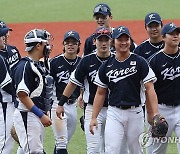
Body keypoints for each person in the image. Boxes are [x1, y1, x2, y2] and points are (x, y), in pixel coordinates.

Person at [89, 26, 160, 154]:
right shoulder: (107, 65)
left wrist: (154, 114)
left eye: (126, 39)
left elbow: (150, 89)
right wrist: (94, 117)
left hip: (136, 113)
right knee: (111, 149)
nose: (123, 43)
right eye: (119, 39)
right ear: (113, 42)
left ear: (130, 41)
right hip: (114, 113)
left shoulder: (140, 62)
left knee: (135, 150)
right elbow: (100, 93)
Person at [56, 27, 113, 154]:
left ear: (111, 41)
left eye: (106, 40)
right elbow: (72, 83)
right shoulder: (87, 61)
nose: (103, 43)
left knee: (112, 149)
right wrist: (61, 103)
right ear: (94, 42)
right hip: (92, 109)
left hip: (113, 109)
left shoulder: (116, 60)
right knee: (93, 150)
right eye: (100, 40)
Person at [13, 29, 53, 153]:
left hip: (34, 115)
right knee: (35, 151)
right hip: (27, 115)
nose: (48, 47)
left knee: (29, 150)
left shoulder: (38, 65)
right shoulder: (25, 66)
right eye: (46, 44)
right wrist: (41, 115)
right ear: (38, 46)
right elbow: (22, 95)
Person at [149, 22, 180, 154]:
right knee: (157, 151)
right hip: (161, 110)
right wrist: (152, 114)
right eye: (171, 34)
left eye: (177, 33)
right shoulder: (154, 61)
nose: (175, 36)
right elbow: (148, 89)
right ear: (163, 38)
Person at [50, 30, 81, 154]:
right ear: (63, 44)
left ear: (79, 45)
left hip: (73, 106)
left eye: (74, 42)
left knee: (63, 142)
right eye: (67, 42)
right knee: (62, 141)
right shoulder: (54, 62)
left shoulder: (82, 62)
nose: (70, 45)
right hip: (57, 104)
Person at [0, 27, 14, 154]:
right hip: (4, 103)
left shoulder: (12, 51)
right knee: (6, 143)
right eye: (2, 35)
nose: (5, 37)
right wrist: (21, 95)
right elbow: (6, 85)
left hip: (8, 101)